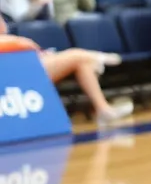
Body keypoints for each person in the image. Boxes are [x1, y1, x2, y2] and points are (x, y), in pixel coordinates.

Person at [0, 14, 132, 123]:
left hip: (21, 63)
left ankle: (102, 109)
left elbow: (4, 32)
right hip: (11, 71)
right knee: (78, 56)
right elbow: (15, 42)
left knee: (84, 63)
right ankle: (96, 57)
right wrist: (22, 43)